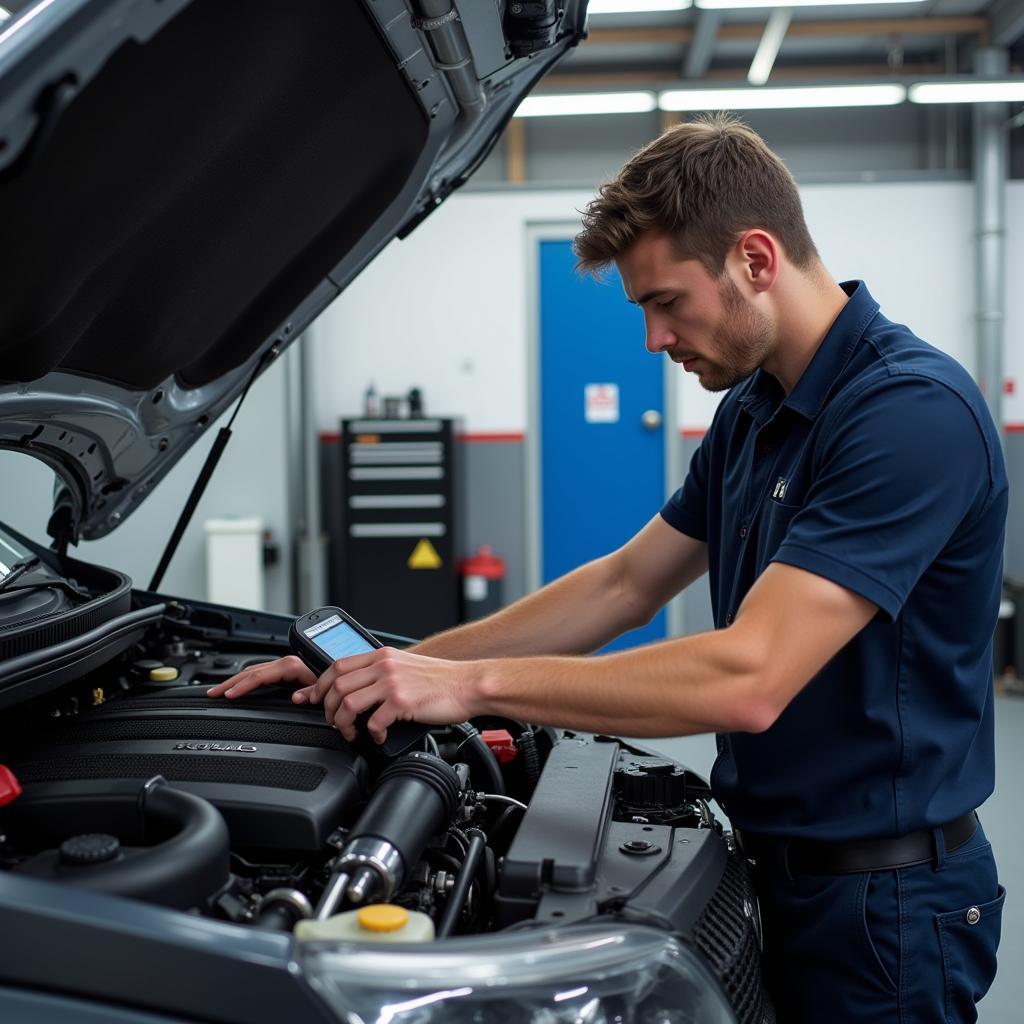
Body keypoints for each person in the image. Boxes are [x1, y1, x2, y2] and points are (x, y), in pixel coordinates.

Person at [208, 114, 1006, 1023]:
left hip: (884, 911)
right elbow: (624, 584)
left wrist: (472, 687)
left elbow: (751, 676)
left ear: (754, 258)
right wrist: (391, 673)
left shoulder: (908, 413)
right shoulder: (757, 409)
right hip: (773, 871)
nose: (654, 340)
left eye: (666, 302)